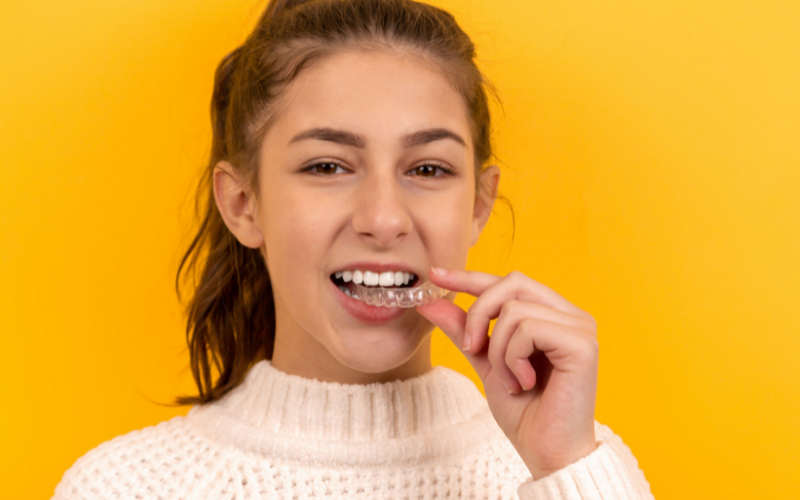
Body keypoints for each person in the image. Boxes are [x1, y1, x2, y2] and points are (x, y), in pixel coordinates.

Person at [53, 0, 655, 498]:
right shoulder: (123, 488)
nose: (384, 218)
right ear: (242, 204)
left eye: (426, 167)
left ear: (479, 204)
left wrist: (564, 470)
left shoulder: (583, 470)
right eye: (327, 165)